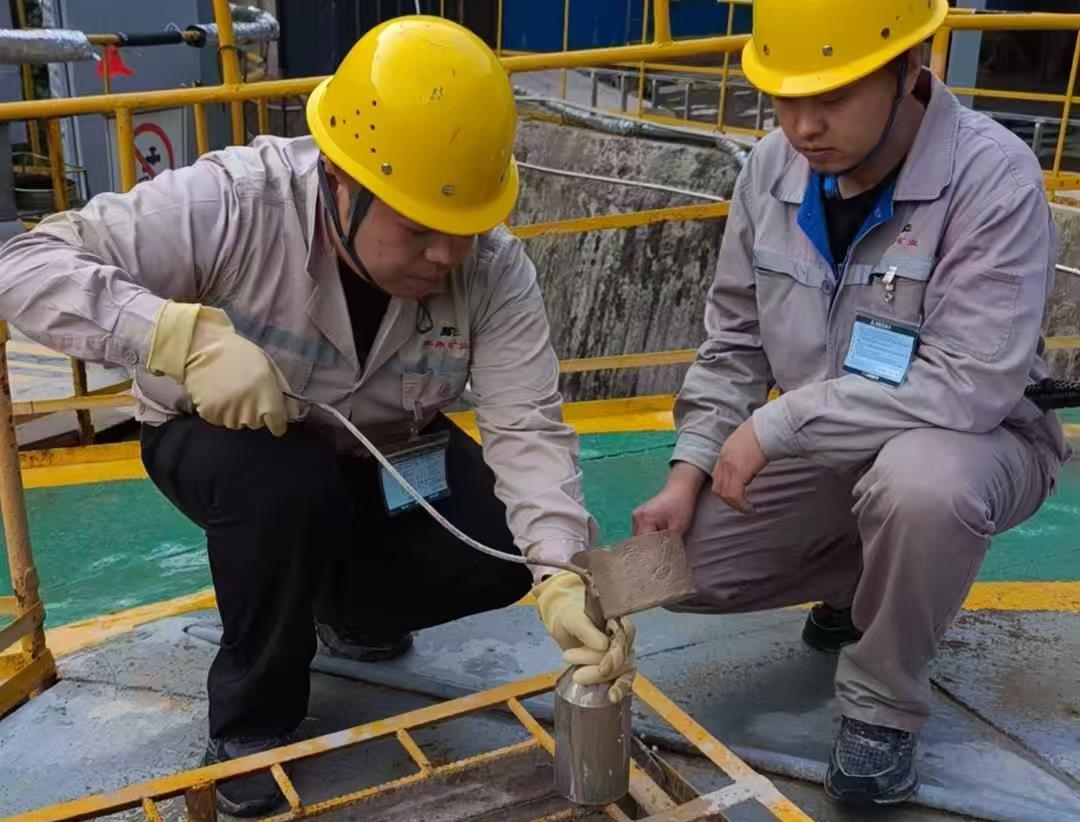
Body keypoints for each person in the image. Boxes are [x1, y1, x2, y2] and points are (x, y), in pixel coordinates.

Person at [0, 17, 631, 816]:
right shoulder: (237, 202)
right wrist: (178, 338)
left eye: (464, 231)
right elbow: (22, 266)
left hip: (386, 452)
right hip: (237, 450)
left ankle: (346, 613)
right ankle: (252, 727)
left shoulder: (494, 270)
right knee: (287, 487)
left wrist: (562, 572)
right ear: (339, 178)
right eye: (418, 229)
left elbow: (526, 427)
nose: (446, 256)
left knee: (505, 543)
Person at [633, 0, 1069, 805]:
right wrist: (687, 472)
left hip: (976, 441)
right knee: (668, 573)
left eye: (832, 97)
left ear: (911, 69)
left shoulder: (993, 178)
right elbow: (734, 343)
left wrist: (780, 422)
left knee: (921, 488)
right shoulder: (770, 170)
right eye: (785, 97)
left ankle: (882, 708)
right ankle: (860, 583)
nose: (804, 126)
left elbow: (970, 380)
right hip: (831, 450)